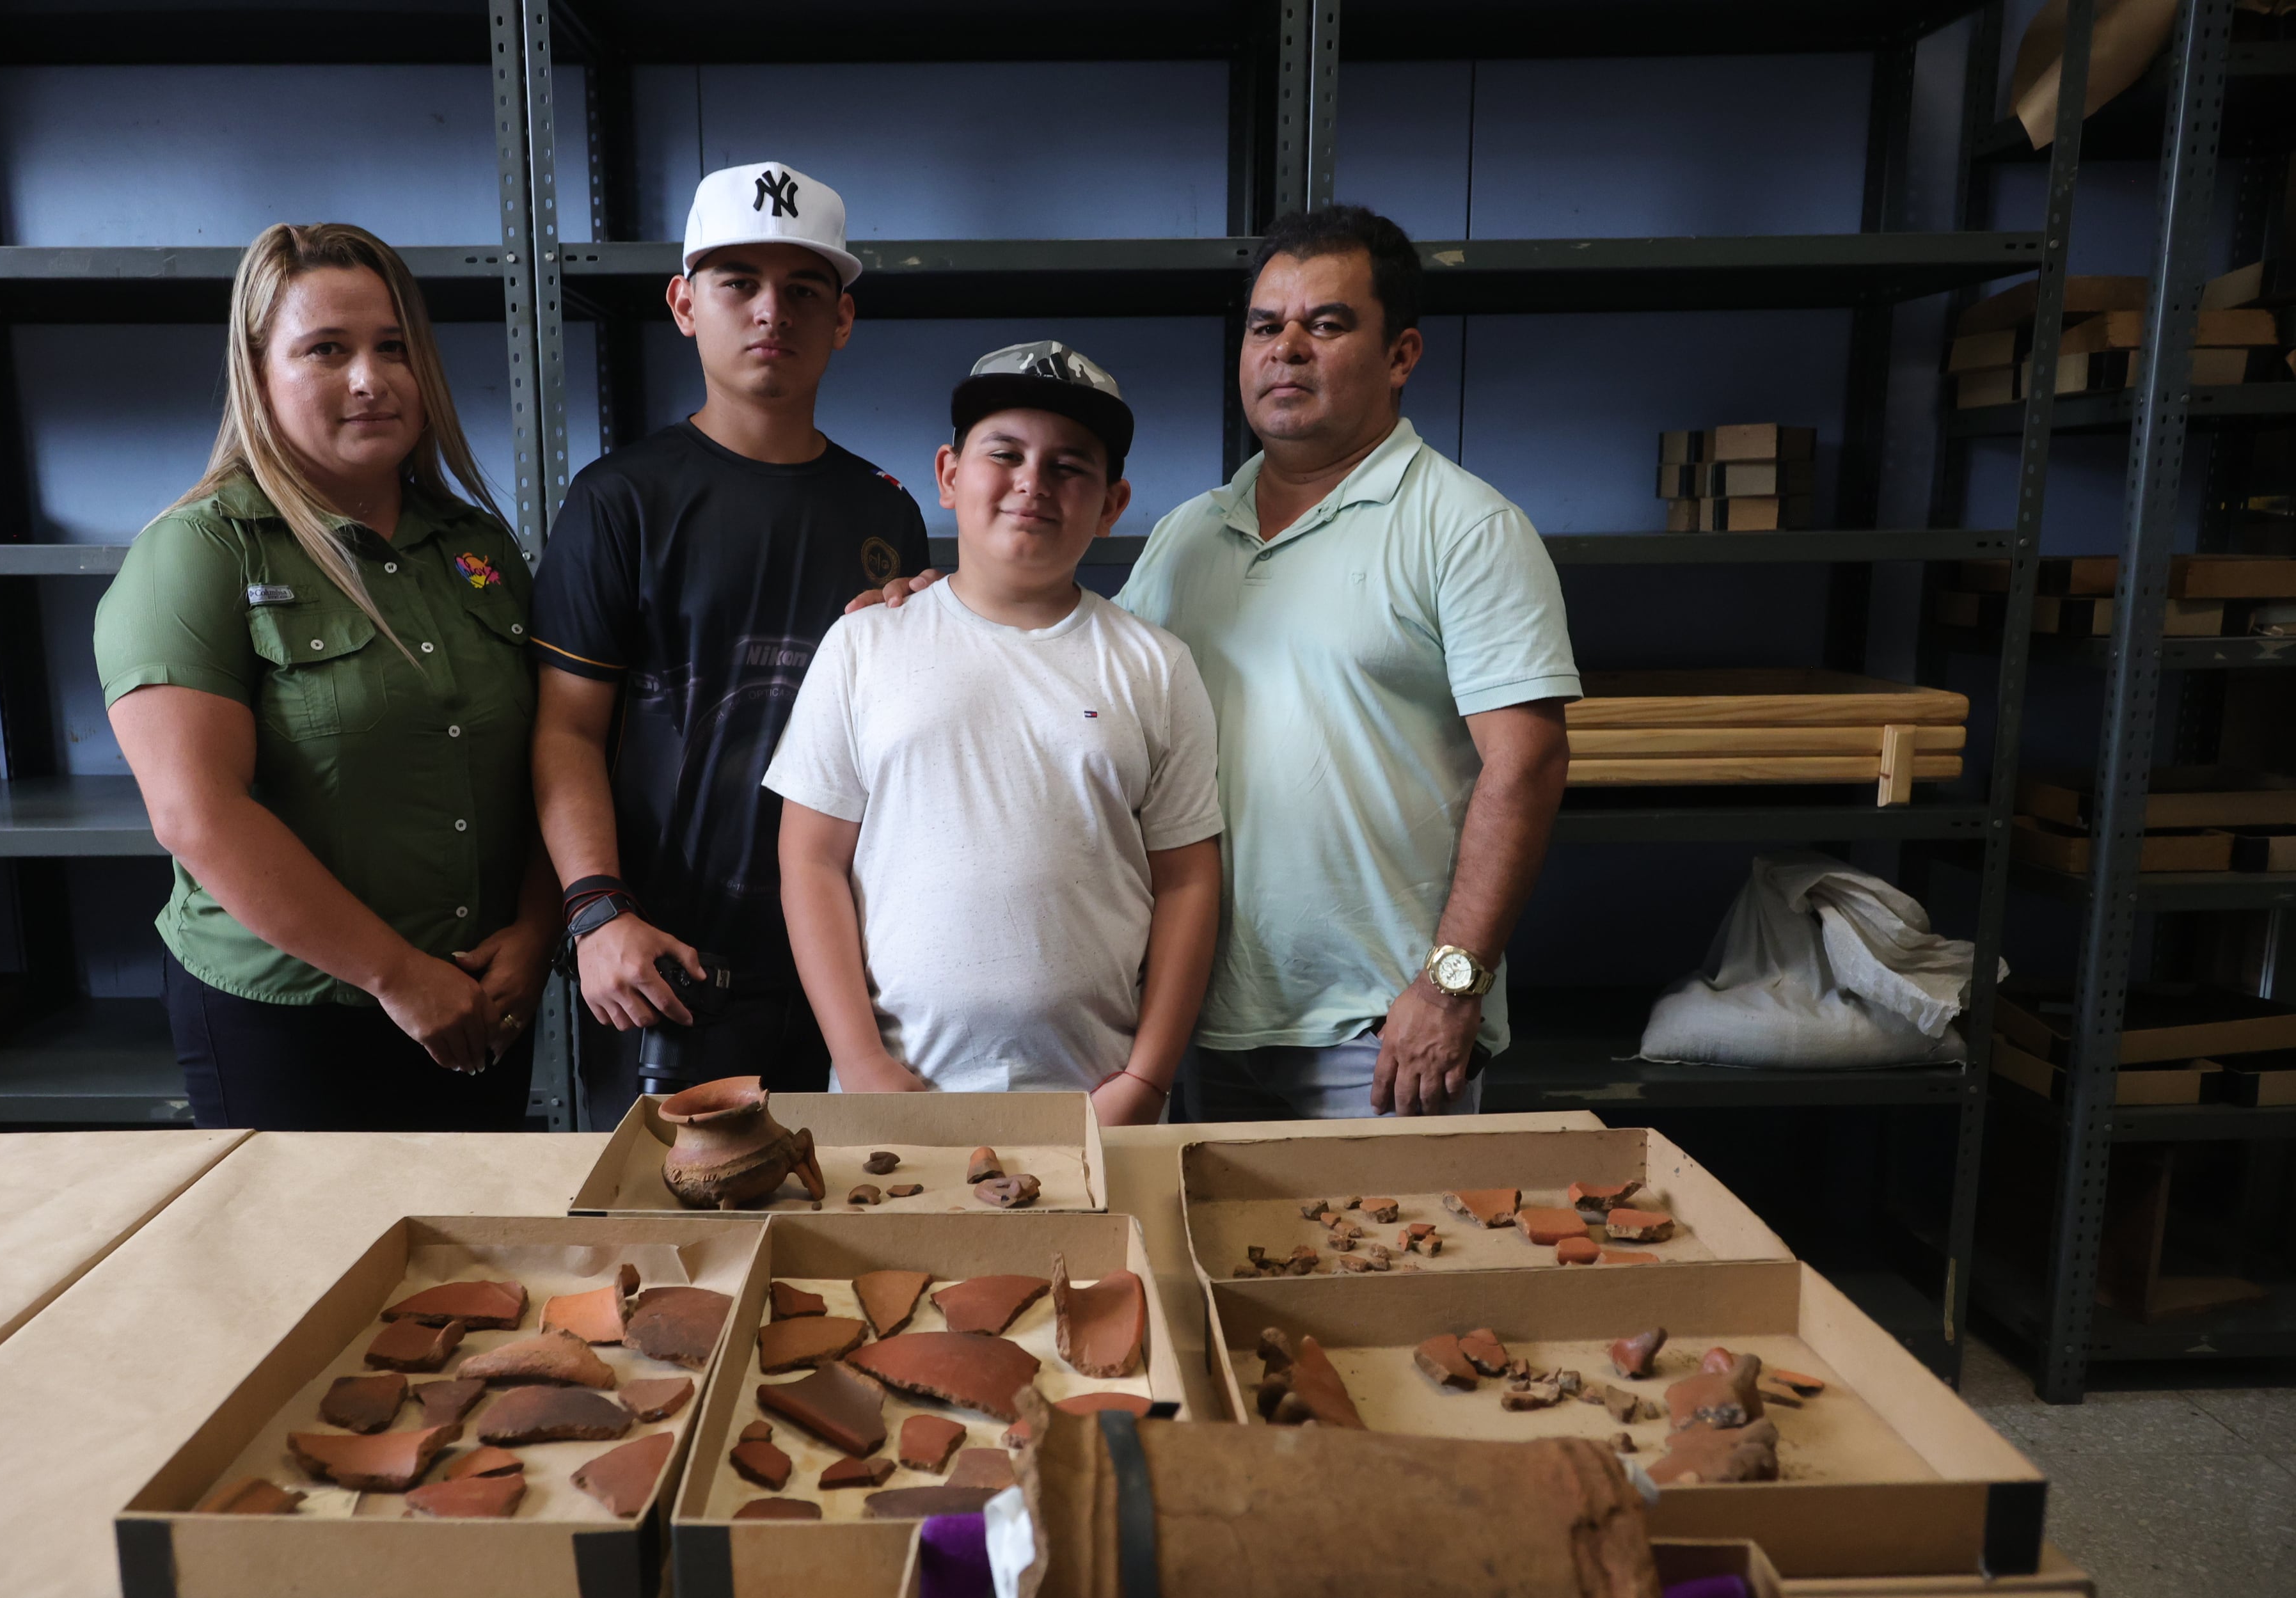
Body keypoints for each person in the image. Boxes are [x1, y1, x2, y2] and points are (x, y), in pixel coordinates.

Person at [1115, 204, 1576, 1120]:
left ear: (1401, 355)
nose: (1286, 349)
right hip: (1193, 1017)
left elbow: (1528, 763)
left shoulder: (1465, 528)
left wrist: (1449, 987)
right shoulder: (1187, 534)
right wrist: (948, 610)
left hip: (1383, 1035)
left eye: (1325, 325)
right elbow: (1081, 684)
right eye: (1264, 327)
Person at [97, 223, 557, 1130]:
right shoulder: (200, 552)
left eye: (395, 348)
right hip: (290, 1020)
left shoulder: (475, 547)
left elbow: (553, 755)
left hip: (478, 1001)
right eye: (327, 350)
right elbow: (197, 814)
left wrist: (537, 934)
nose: (371, 378)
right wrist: (397, 974)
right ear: (257, 372)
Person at [530, 162, 931, 1118]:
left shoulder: (887, 511)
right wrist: (597, 910)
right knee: (667, 1216)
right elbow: (565, 732)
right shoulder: (619, 500)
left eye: (804, 291)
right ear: (683, 304)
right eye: (738, 283)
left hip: (849, 969)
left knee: (852, 1205)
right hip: (664, 969)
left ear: (842, 318)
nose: (771, 312)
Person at [766, 342, 1223, 1127]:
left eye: (1069, 466)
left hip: (1098, 1100)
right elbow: (810, 861)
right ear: (949, 475)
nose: (1032, 482)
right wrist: (861, 1061)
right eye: (1004, 454)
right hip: (897, 1094)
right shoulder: (864, 646)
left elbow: (1188, 881)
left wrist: (1146, 1079)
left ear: (1112, 504)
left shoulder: (1156, 666)